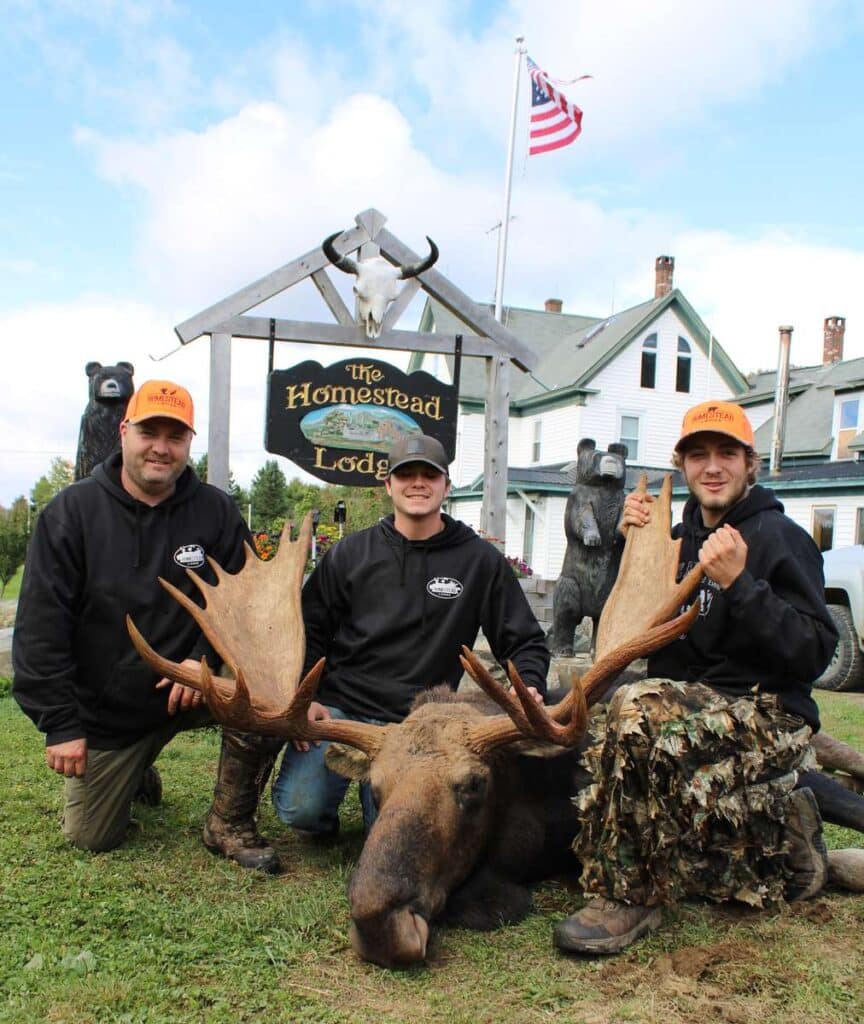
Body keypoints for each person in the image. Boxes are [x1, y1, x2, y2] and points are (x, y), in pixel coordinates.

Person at [554, 399, 839, 956]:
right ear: (682, 466)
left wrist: (742, 586)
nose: (713, 467)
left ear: (749, 464)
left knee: (636, 713)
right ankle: (780, 840)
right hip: (700, 706)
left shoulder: (780, 537)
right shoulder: (675, 539)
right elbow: (650, 639)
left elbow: (814, 654)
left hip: (771, 712)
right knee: (607, 723)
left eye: (727, 454)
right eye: (699, 454)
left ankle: (628, 894)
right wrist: (632, 549)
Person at [12, 379, 282, 872]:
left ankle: (229, 820)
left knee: (265, 696)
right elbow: (39, 629)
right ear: (123, 432)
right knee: (90, 837)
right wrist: (61, 725)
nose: (161, 447)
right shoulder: (70, 514)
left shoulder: (216, 511)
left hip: (193, 686)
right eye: (149, 432)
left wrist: (202, 658)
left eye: (175, 436)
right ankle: (135, 770)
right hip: (109, 710)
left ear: (188, 442)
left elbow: (247, 607)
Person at [268, 433, 551, 836]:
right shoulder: (350, 555)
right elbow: (308, 631)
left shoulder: (479, 561)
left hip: (421, 726)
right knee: (301, 809)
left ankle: (377, 807)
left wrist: (532, 687)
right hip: (342, 713)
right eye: (406, 474)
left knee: (395, 829)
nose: (418, 483)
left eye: (429, 475)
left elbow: (523, 641)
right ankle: (327, 808)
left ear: (446, 486)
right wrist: (305, 695)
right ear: (387, 485)